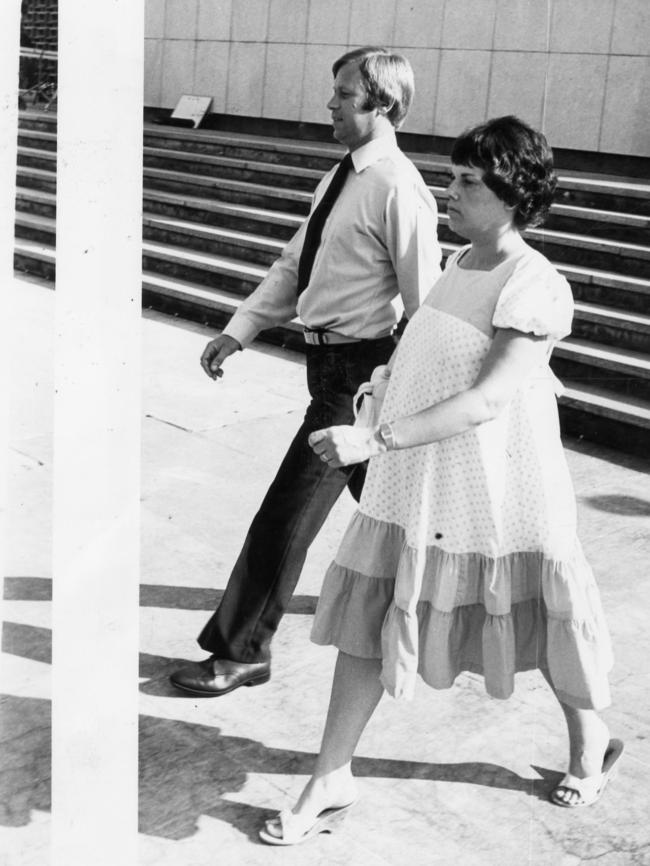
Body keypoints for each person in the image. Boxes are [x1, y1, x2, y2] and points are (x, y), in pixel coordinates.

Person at [259, 116, 622, 846]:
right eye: (451, 175)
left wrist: (373, 437)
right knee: (369, 620)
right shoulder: (460, 262)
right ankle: (331, 774)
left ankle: (589, 740)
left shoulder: (536, 284)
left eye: (466, 180)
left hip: (497, 492)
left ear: (513, 195)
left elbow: (489, 399)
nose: (447, 189)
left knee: (539, 622)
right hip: (415, 481)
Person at [170, 47, 442, 697]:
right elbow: (296, 266)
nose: (330, 105)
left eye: (345, 96)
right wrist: (240, 330)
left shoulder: (399, 189)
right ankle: (451, 596)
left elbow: (426, 304)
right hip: (325, 366)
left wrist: (395, 394)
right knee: (394, 506)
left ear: (384, 105)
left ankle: (242, 649)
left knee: (284, 515)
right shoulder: (341, 178)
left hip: (357, 377)